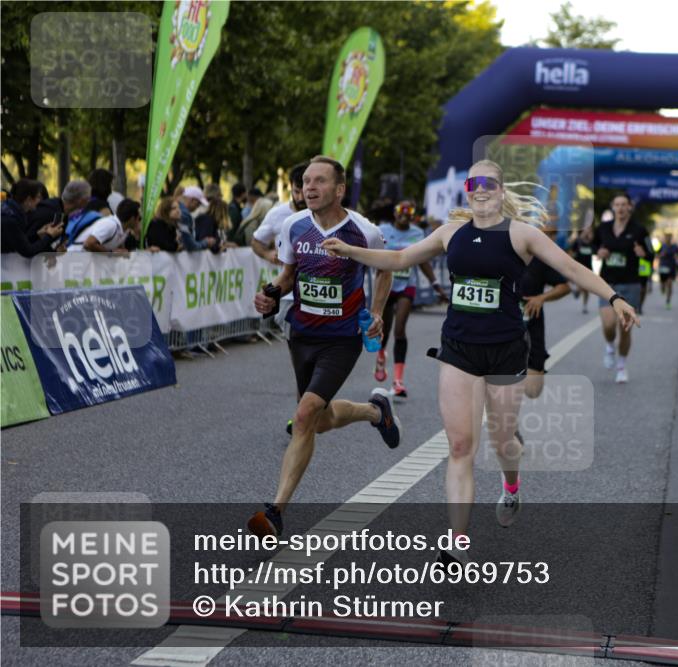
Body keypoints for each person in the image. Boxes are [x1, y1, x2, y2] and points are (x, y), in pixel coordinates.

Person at [321, 160, 638, 563]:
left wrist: (614, 297)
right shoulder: (451, 232)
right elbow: (400, 260)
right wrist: (351, 251)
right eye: (473, 183)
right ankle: (457, 544)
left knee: (503, 443)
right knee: (460, 446)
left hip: (505, 349)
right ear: (467, 191)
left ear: (501, 191)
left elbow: (572, 268)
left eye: (489, 182)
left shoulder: (521, 234)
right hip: (459, 349)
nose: (480, 188)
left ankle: (510, 485)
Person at [248, 156, 400, 538]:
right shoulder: (292, 226)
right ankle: (373, 411)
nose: (309, 188)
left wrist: (376, 311)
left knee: (305, 415)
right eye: (305, 182)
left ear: (339, 189)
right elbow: (287, 276)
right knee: (320, 419)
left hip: (342, 337)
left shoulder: (364, 231)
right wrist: (269, 296)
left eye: (319, 181)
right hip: (302, 333)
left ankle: (276, 511)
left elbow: (386, 268)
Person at [375, 199, 448, 398]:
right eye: (401, 209)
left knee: (400, 331)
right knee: (385, 329)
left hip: (407, 285)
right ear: (395, 212)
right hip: (386, 285)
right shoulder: (382, 229)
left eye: (409, 211)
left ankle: (398, 381)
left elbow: (423, 260)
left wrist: (435, 285)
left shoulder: (417, 233)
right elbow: (370, 252)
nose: (405, 214)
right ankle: (381, 354)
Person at [595, 193, 650, 384]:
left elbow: (651, 252)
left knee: (625, 329)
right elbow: (593, 246)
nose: (620, 208)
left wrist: (644, 253)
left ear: (629, 207)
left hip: (630, 283)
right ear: (613, 207)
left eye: (623, 204)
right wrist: (598, 252)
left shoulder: (639, 230)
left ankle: (621, 366)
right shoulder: (603, 228)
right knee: (609, 325)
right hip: (607, 283)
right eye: (617, 204)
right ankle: (610, 346)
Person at [521, 223, 571, 399]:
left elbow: (564, 287)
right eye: (547, 234)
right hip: (502, 327)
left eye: (553, 234)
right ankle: (509, 423)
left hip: (532, 324)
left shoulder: (540, 260)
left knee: (533, 391)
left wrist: (541, 298)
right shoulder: (501, 254)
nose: (551, 238)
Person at [252, 162, 308, 265]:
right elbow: (256, 242)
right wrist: (267, 254)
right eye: (296, 192)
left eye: (305, 192)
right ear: (290, 187)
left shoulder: (323, 213)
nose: (300, 198)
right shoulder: (277, 213)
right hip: (285, 278)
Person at [1, 179, 64, 257]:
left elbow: (20, 243)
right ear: (29, 200)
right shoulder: (10, 220)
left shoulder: (11, 214)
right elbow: (29, 252)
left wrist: (37, 235)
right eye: (38, 197)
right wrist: (49, 235)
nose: (40, 201)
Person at [68, 199, 142, 253]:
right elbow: (88, 244)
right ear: (132, 218)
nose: (140, 222)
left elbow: (119, 249)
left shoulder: (124, 230)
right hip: (75, 257)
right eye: (139, 218)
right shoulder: (110, 225)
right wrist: (111, 253)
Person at [177, 186, 217, 251]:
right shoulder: (185, 215)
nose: (197, 207)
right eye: (198, 204)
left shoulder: (179, 209)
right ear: (192, 200)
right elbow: (190, 246)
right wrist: (206, 242)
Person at [568, 223, 596, 313]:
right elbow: (571, 251)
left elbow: (596, 251)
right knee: (581, 284)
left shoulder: (592, 242)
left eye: (590, 230)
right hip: (578, 267)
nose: (588, 232)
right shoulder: (578, 241)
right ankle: (577, 290)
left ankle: (585, 306)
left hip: (588, 268)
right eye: (586, 230)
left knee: (587, 288)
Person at [657, 233, 678, 308]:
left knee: (670, 284)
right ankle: (663, 288)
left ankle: (668, 300)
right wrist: (661, 255)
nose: (668, 239)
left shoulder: (675, 246)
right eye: (667, 237)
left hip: (671, 267)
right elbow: (657, 255)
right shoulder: (662, 245)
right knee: (663, 284)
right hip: (663, 267)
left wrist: (677, 259)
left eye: (670, 237)